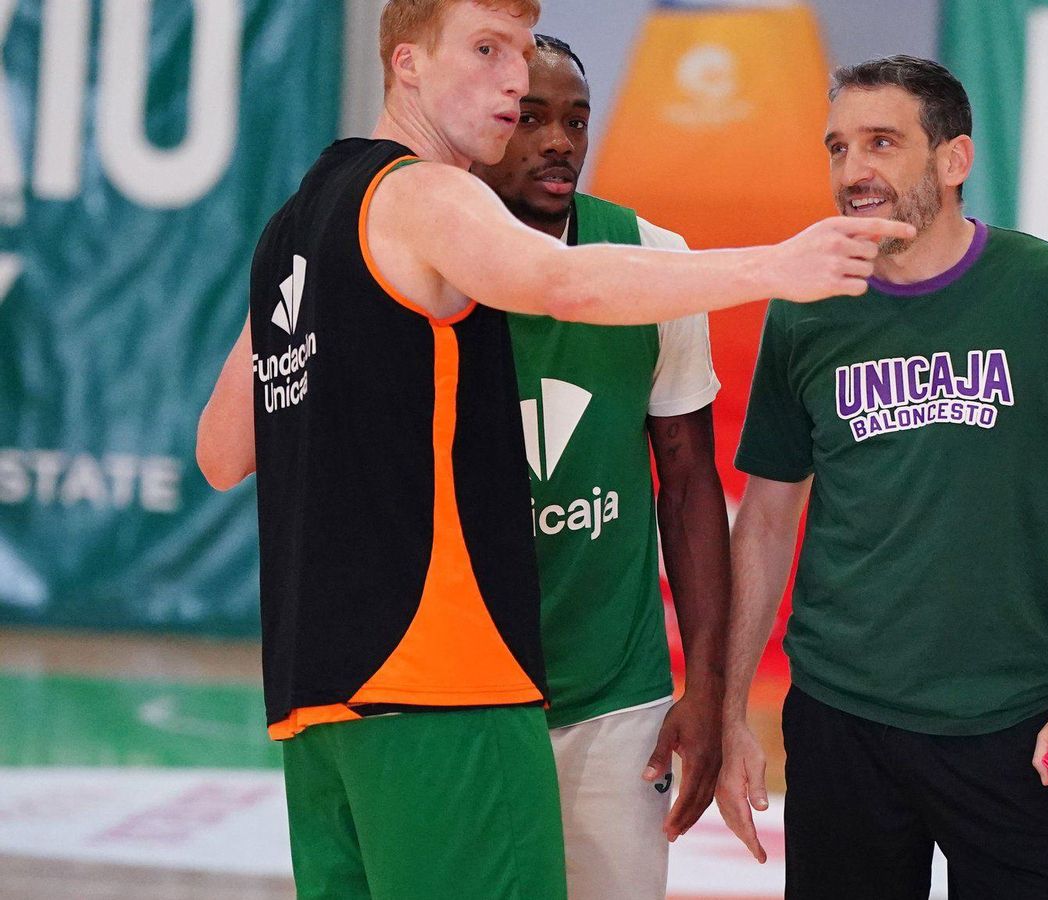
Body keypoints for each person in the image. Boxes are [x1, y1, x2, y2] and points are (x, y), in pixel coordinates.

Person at [193, 0, 912, 896]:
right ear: (407, 63)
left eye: (519, 53)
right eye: (486, 50)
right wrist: (775, 266)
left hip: (318, 701)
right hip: (441, 680)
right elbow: (560, 283)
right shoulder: (427, 192)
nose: (509, 78)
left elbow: (221, 450)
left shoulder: (295, 226)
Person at [714, 55, 1048, 899]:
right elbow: (767, 521)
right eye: (838, 147)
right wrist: (730, 710)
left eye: (881, 142)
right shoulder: (806, 308)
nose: (854, 170)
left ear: (954, 159)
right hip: (841, 719)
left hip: (1016, 722)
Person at [470, 35, 728, 900]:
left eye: (576, 121)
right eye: (531, 118)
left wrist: (708, 688)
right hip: (460, 689)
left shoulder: (654, 257)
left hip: (616, 693)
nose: (559, 142)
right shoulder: (424, 263)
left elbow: (688, 482)